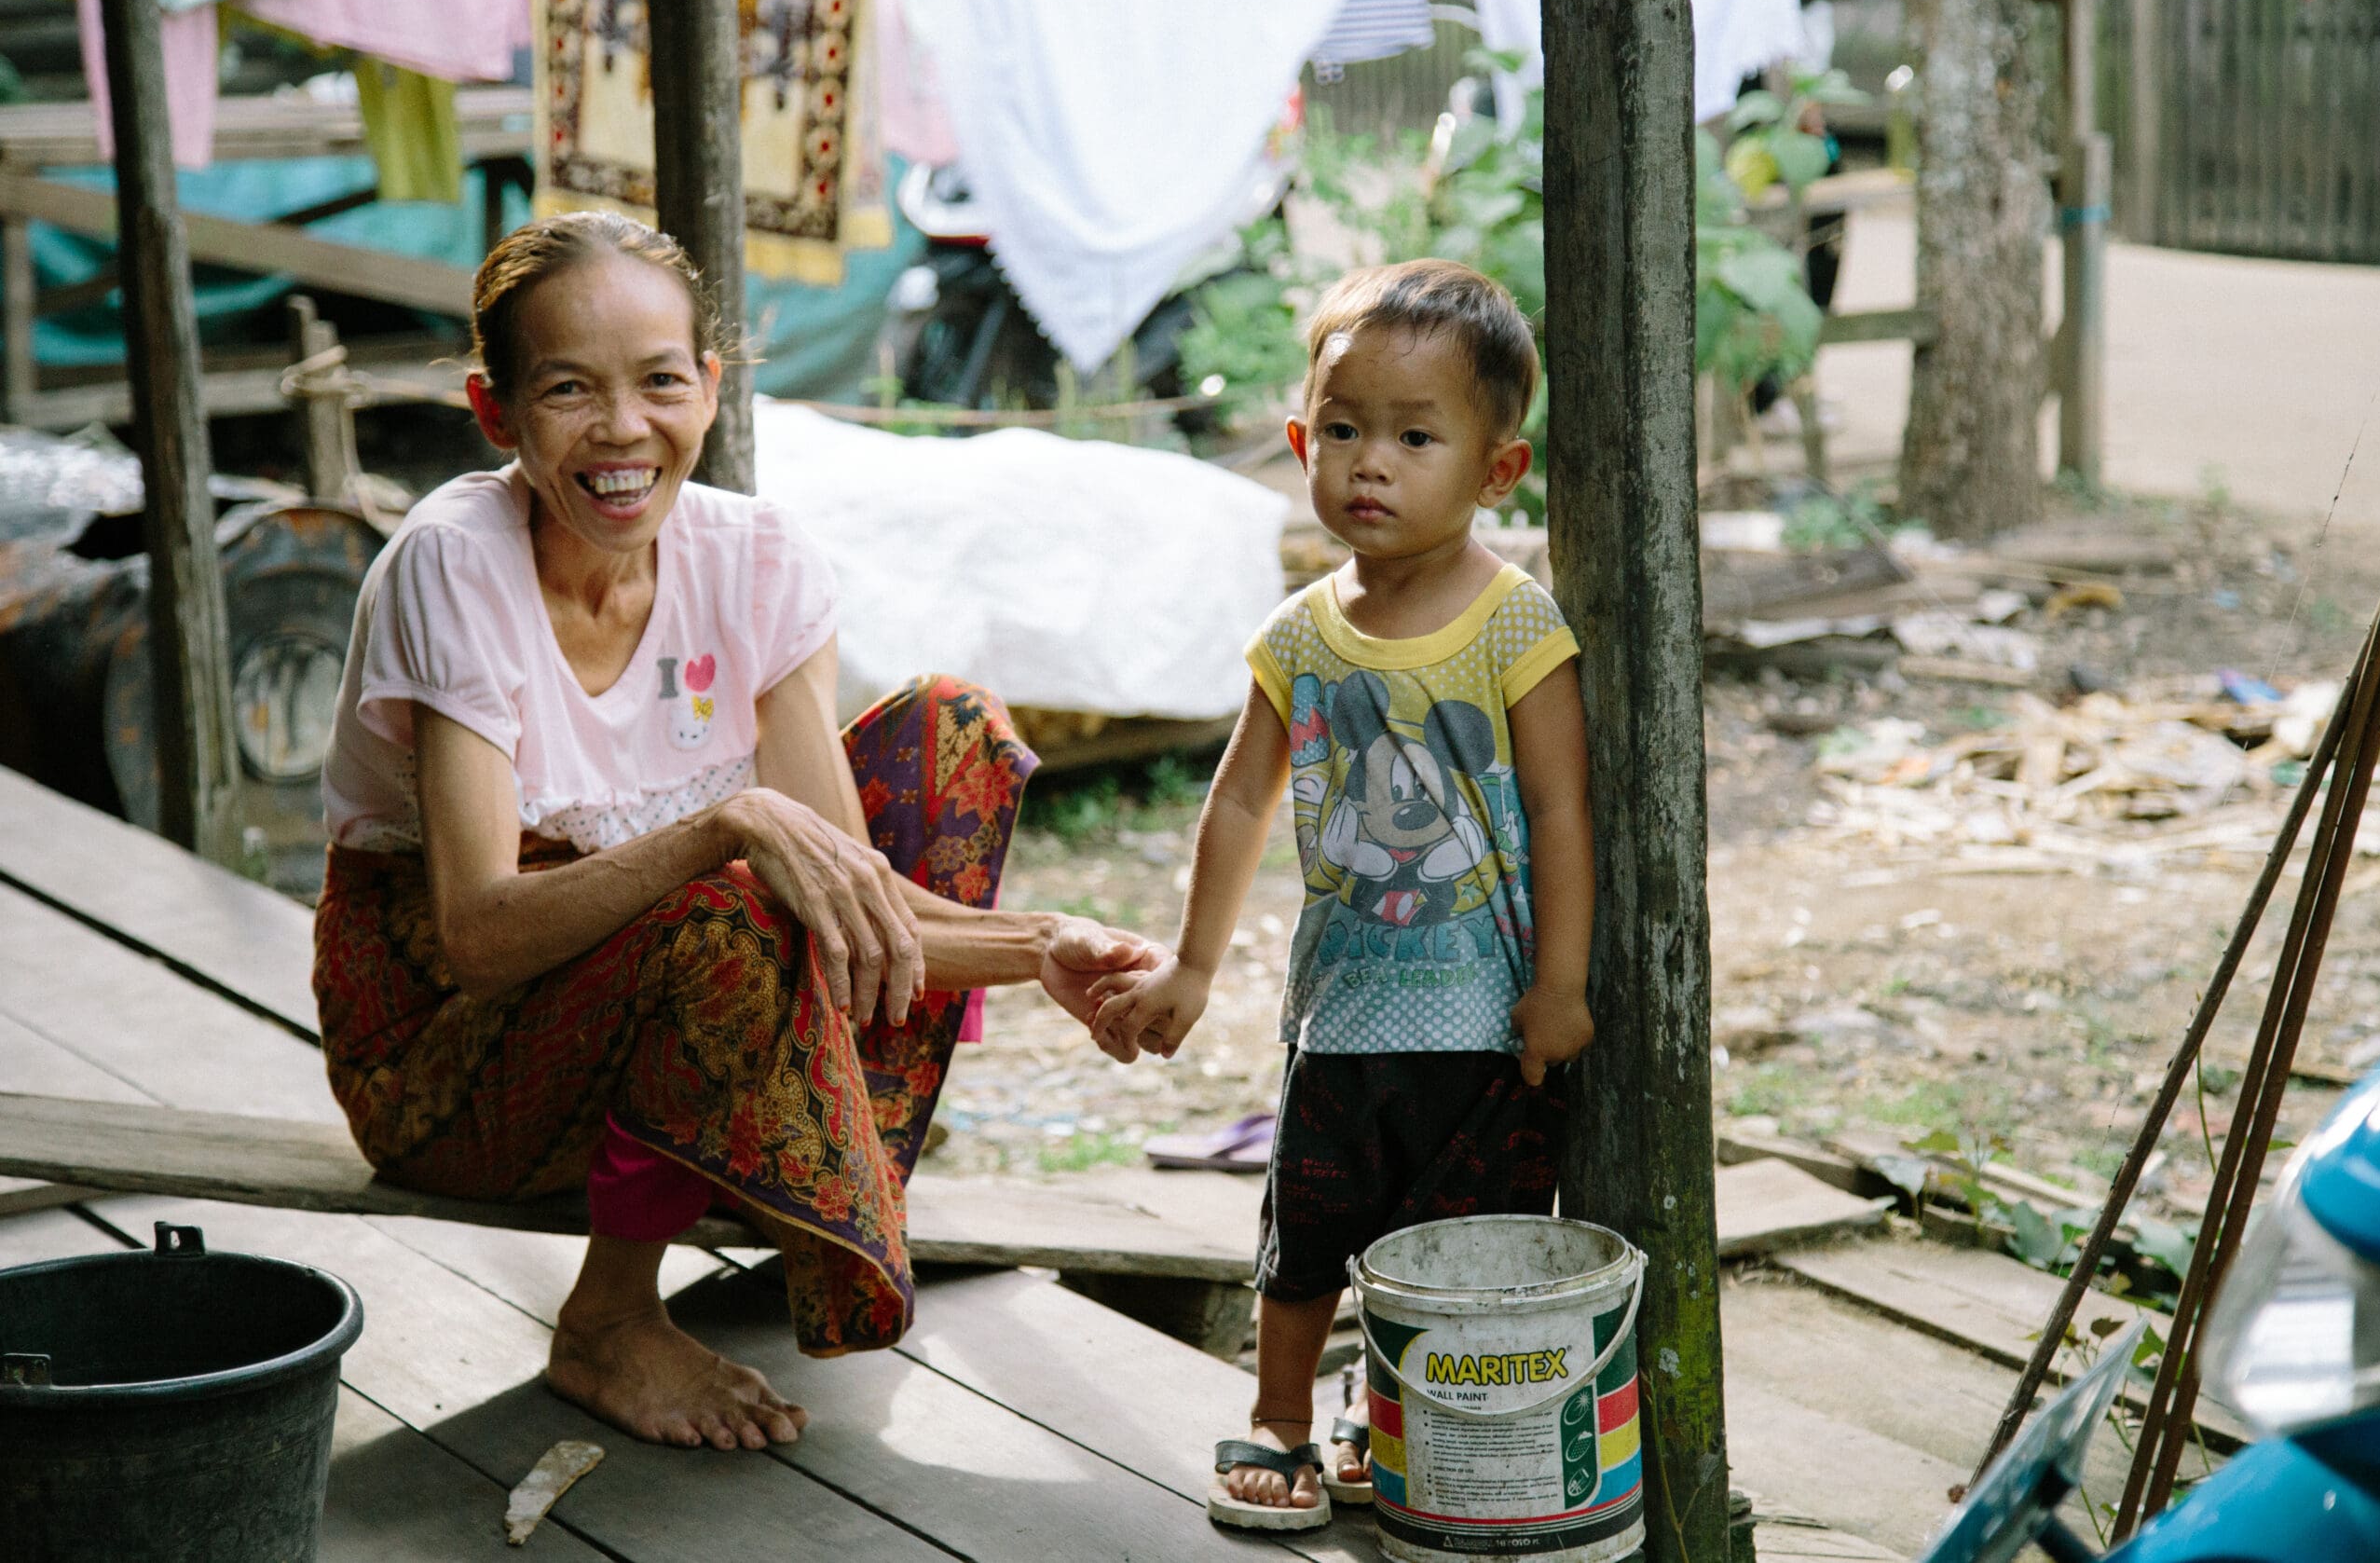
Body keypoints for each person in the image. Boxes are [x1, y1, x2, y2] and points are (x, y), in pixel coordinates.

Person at [312, 210, 1161, 1454]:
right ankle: (606, 1322)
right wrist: (726, 824)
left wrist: (1041, 948)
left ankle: (797, 1166)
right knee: (733, 901)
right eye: (567, 391)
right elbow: (479, 936)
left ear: (709, 388)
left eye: (659, 381)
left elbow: (847, 893)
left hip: (643, 1011)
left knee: (948, 734)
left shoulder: (751, 556)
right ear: (496, 415)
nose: (621, 430)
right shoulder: (456, 562)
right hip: (445, 1061)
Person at [1089, 258, 1596, 1530]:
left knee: (1451, 1253)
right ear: (1301, 441)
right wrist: (1192, 970)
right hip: (1340, 1016)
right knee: (1304, 1236)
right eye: (1348, 432)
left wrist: (1562, 988)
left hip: (1485, 1031)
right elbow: (1242, 805)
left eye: (1417, 437)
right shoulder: (1301, 636)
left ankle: (1397, 1426)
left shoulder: (1515, 626)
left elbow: (1559, 811)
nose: (1374, 464)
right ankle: (1278, 1421)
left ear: (1497, 470)